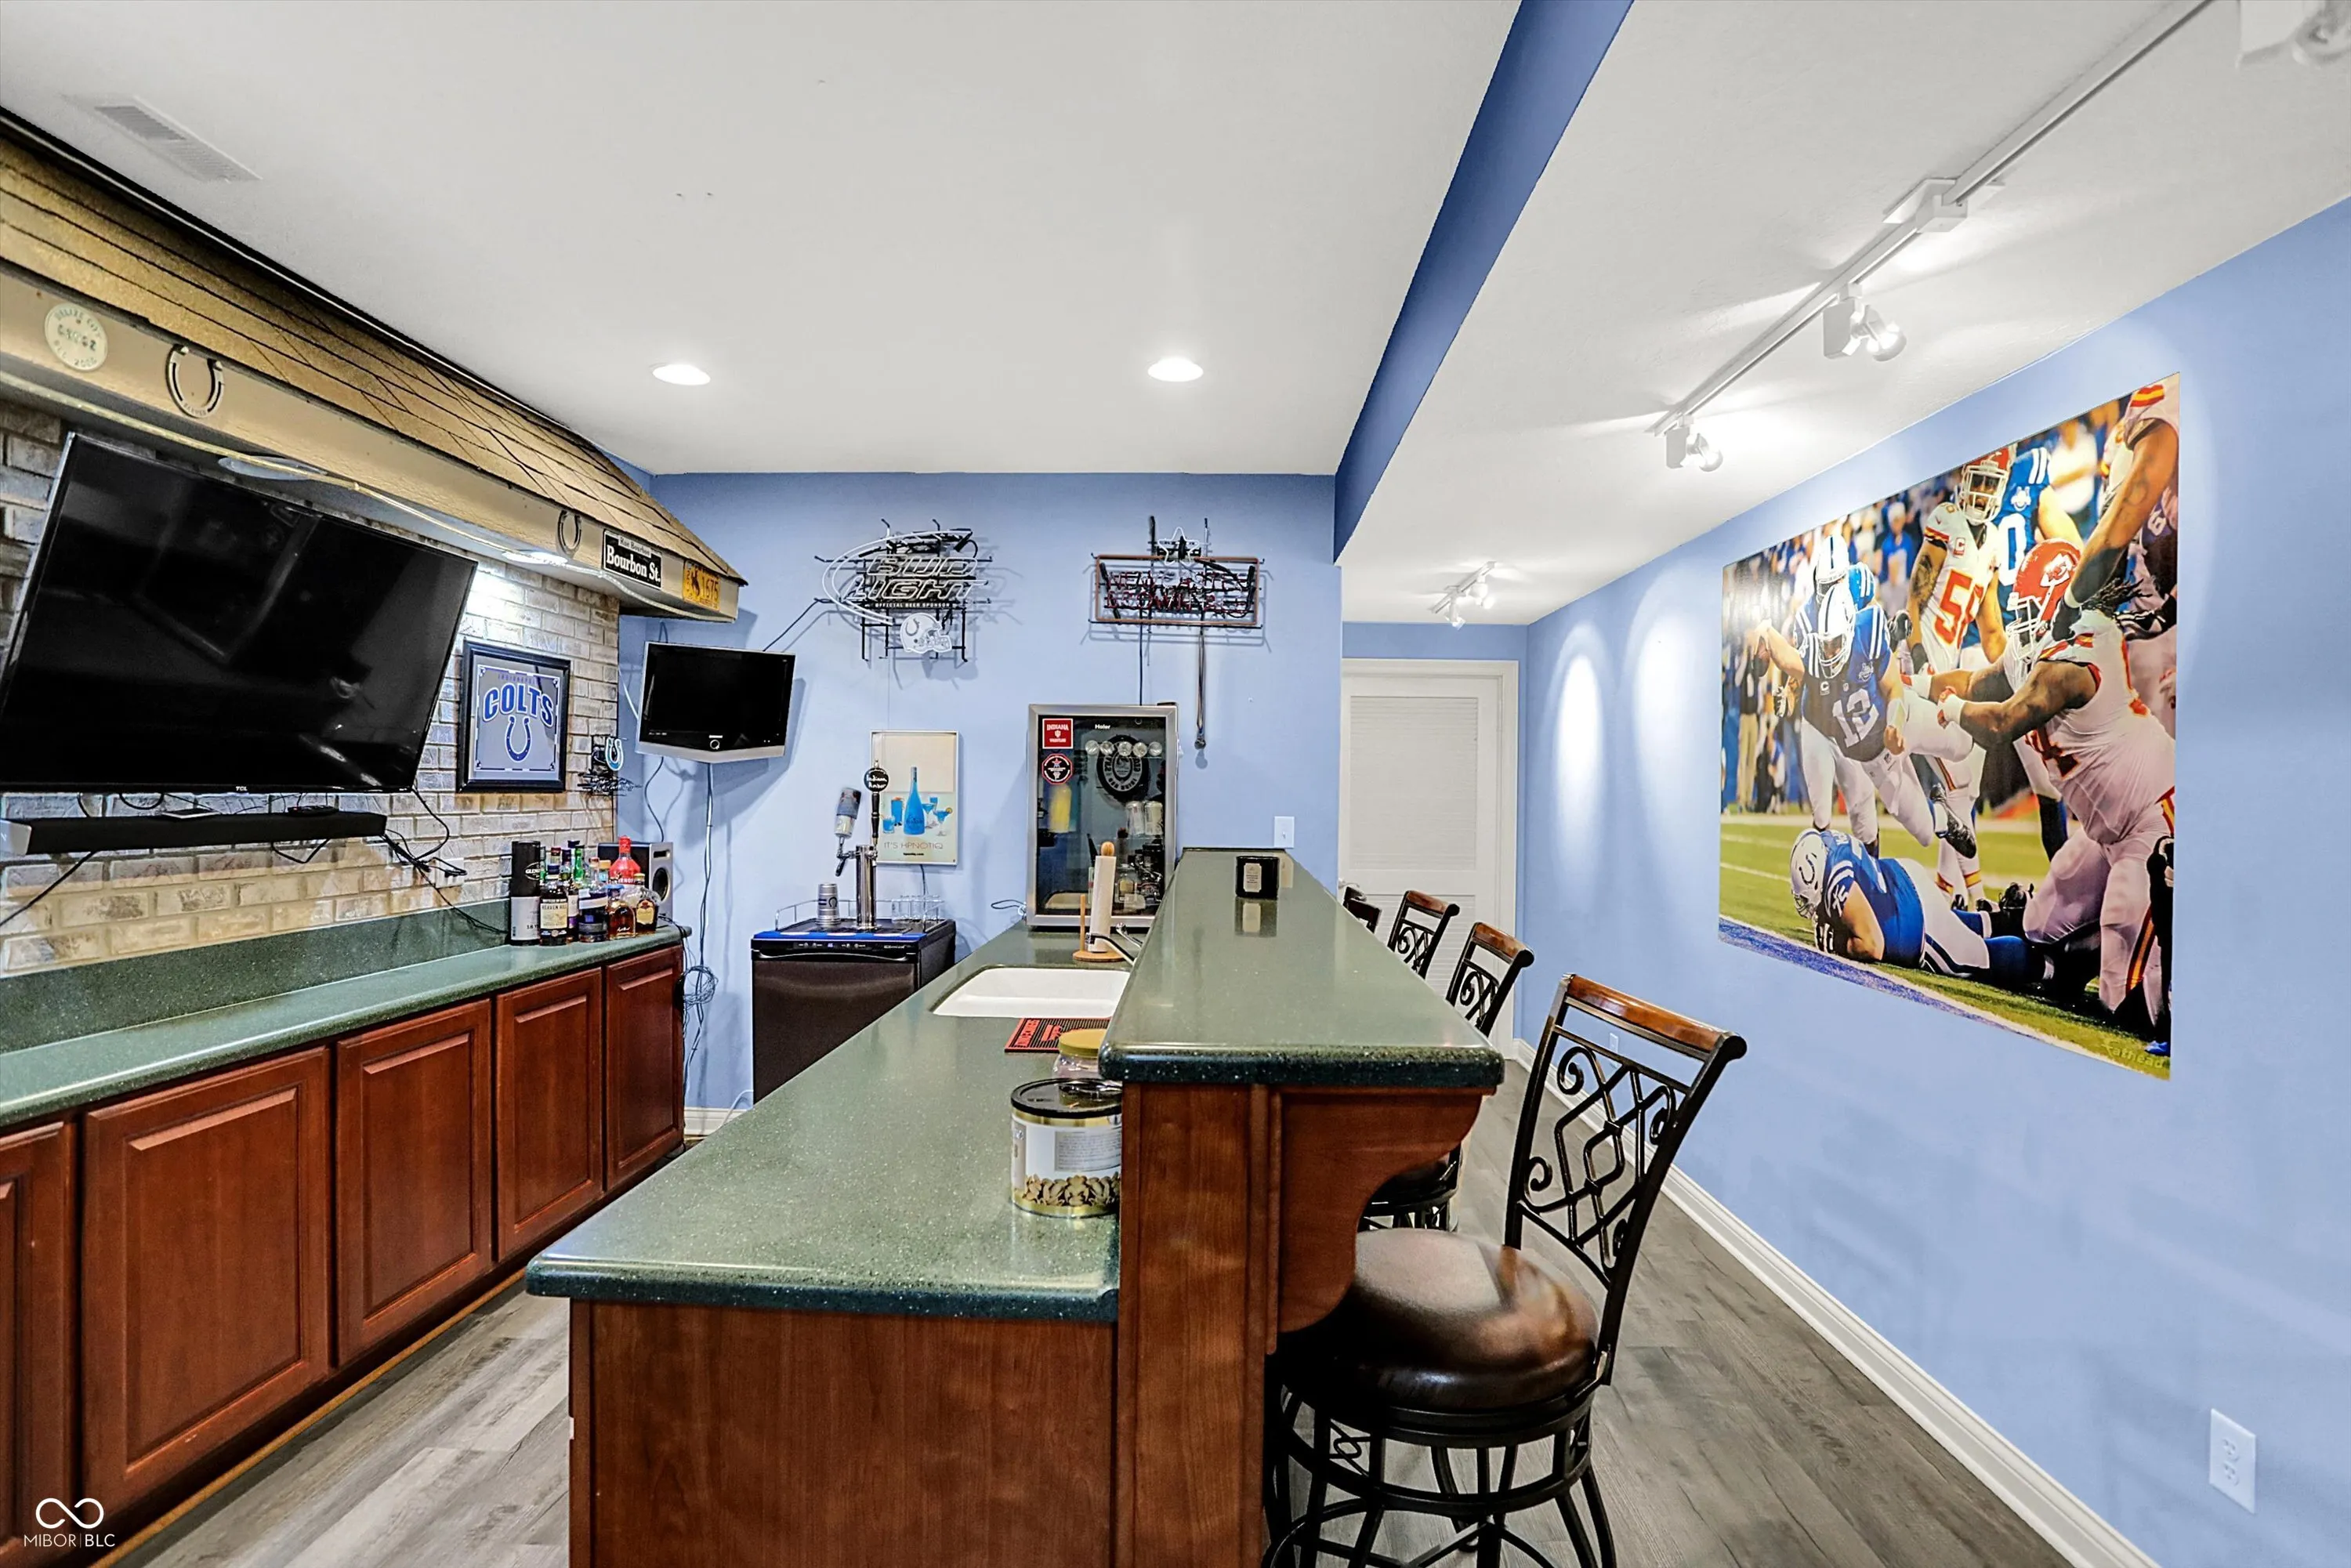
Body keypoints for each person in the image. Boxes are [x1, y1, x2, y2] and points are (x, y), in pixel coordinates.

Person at [1930, 538, 2174, 1052]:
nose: (2023, 628)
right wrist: (1911, 685)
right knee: (2042, 923)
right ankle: (2052, 951)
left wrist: (1946, 710)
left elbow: (1999, 722)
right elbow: (1979, 681)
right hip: (2108, 832)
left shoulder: (2077, 659)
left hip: (2157, 818)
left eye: (2030, 612)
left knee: (2123, 996)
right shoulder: (2043, 652)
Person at [1751, 561, 1976, 860]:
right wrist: (1765, 630)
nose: (1830, 652)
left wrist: (1895, 724)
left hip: (1901, 718)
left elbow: (1894, 687)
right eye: (1825, 644)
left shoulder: (1867, 629)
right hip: (1876, 759)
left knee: (1964, 744)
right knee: (1924, 833)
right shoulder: (1815, 661)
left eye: (1835, 643)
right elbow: (1788, 659)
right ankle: (1945, 819)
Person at [1788, 827, 2032, 989]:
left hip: (1914, 918)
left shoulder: (1836, 883)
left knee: (1975, 957)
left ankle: (2048, 967)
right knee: (1953, 924)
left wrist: (1837, 944)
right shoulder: (1830, 843)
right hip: (1905, 877)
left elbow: (1872, 945)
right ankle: (2013, 920)